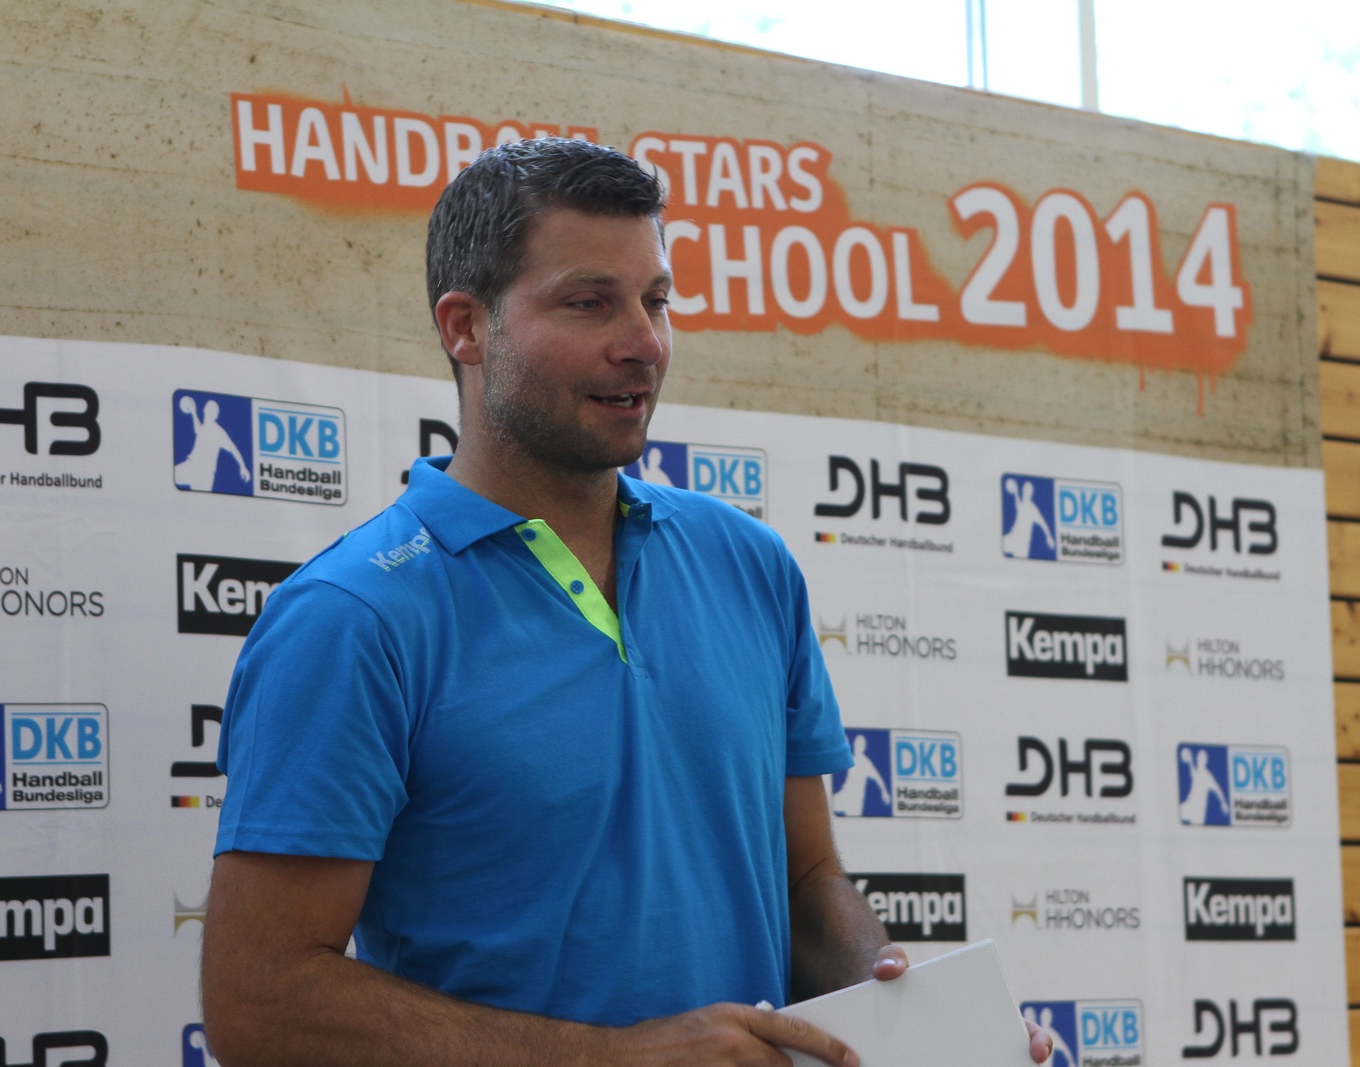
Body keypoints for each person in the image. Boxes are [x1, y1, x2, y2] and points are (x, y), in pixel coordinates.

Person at [201, 137, 1052, 1067]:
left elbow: (807, 878)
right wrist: (615, 1057)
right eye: (589, 302)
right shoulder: (353, 617)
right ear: (466, 328)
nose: (643, 341)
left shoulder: (749, 564)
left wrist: (917, 1028)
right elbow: (261, 1001)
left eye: (656, 300)